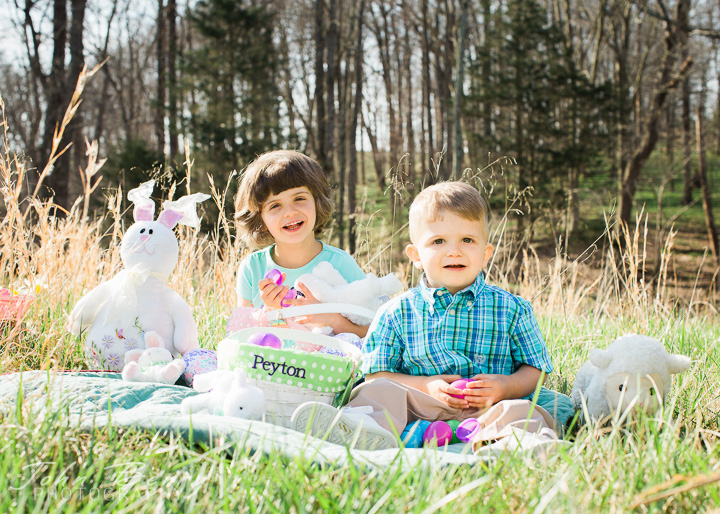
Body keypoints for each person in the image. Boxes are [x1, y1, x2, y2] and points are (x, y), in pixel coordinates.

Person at [291, 181, 565, 451]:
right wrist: (425, 385)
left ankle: (502, 446)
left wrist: (505, 386)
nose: (454, 250)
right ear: (416, 255)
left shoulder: (512, 309)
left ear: (485, 254)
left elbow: (536, 369)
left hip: (488, 410)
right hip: (420, 408)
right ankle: (364, 432)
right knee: (376, 394)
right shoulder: (395, 313)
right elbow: (376, 375)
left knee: (523, 411)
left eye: (467, 240)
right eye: (438, 241)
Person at [235, 150, 369, 337]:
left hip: (328, 363)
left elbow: (375, 330)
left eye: (299, 198)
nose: (290, 212)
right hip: (269, 363)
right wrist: (268, 311)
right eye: (275, 205)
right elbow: (240, 336)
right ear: (261, 220)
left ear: (317, 202)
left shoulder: (340, 264)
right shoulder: (253, 268)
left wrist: (332, 319)